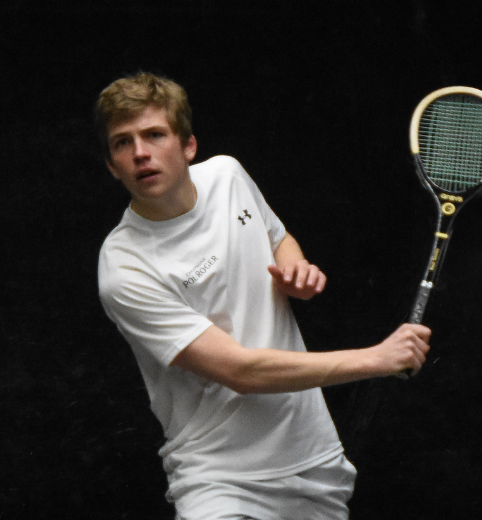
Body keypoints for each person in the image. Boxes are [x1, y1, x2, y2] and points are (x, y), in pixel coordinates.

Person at [94, 72, 432, 520]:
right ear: (112, 165)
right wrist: (377, 359)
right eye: (122, 143)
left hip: (312, 460)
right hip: (219, 480)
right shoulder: (124, 267)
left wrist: (294, 267)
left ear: (188, 145)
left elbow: (277, 236)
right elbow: (240, 370)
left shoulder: (228, 176)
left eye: (154, 134)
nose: (140, 153)